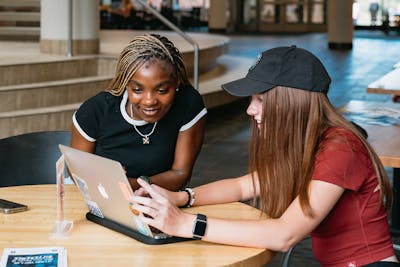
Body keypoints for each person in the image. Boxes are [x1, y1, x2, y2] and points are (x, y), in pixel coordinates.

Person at [132, 46, 399, 267]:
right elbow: (242, 186)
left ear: (292, 102)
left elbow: (284, 235)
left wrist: (186, 224)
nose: (250, 109)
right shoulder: (308, 141)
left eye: (260, 99)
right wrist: (180, 197)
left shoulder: (340, 148)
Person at [71, 34, 207, 191]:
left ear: (176, 83)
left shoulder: (188, 104)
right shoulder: (96, 111)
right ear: (126, 84)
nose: (149, 100)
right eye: (137, 90)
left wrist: (127, 184)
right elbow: (77, 172)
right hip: (105, 200)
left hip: (164, 202)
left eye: (162, 90)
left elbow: (180, 174)